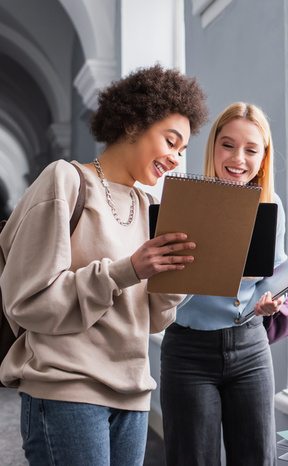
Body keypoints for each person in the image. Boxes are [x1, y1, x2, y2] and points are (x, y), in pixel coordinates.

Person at [0, 64, 208, 465]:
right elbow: (27, 302)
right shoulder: (65, 181)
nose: (177, 159)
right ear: (133, 123)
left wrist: (179, 277)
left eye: (183, 150)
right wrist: (126, 270)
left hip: (134, 393)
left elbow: (150, 321)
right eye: (171, 141)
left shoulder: (150, 209)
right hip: (66, 389)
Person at [160, 102, 288, 466]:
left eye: (251, 150)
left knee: (257, 458)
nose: (238, 158)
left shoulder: (270, 204)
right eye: (228, 145)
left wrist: (270, 299)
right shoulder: (184, 199)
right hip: (189, 349)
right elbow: (162, 283)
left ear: (263, 158)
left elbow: (273, 271)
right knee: (192, 459)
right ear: (213, 147)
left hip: (250, 345)